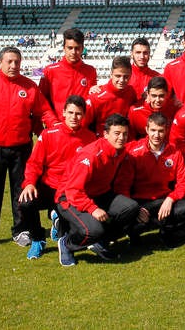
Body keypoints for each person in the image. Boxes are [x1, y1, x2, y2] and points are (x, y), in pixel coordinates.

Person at [0, 47, 59, 252]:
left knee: (21, 192)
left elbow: (45, 112)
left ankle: (21, 230)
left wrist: (56, 130)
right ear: (0, 63)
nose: (13, 66)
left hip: (22, 150)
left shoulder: (29, 86)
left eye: (17, 62)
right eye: (9, 61)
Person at [55, 114, 140, 266]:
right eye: (117, 133)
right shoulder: (90, 155)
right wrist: (92, 209)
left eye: (125, 134)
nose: (121, 138)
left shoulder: (120, 152)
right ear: (105, 134)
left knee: (131, 208)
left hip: (100, 193)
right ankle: (67, 243)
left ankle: (100, 242)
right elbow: (73, 190)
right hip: (69, 197)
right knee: (93, 231)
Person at [18, 95, 96, 259]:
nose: (74, 117)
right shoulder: (48, 134)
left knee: (69, 233)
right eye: (71, 112)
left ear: (84, 115)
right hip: (50, 186)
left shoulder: (90, 138)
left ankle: (59, 221)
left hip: (71, 191)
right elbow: (34, 163)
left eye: (78, 114)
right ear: (63, 113)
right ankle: (38, 239)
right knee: (26, 202)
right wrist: (30, 183)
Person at [116, 113, 185, 248]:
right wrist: (134, 208)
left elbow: (184, 182)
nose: (157, 135)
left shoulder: (174, 152)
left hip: (164, 199)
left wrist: (171, 198)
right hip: (140, 201)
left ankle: (166, 231)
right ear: (146, 130)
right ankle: (134, 234)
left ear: (166, 131)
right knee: (129, 216)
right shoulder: (134, 152)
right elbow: (123, 185)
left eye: (161, 131)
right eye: (153, 130)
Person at [39, 28, 97, 117]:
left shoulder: (90, 71)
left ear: (82, 49)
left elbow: (91, 99)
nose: (73, 52)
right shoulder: (50, 70)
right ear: (64, 48)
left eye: (77, 48)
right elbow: (42, 101)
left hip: (83, 125)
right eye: (70, 48)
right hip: (58, 125)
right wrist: (53, 123)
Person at [84, 56, 138, 136]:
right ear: (111, 74)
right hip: (102, 142)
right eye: (118, 76)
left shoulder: (131, 92)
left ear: (130, 75)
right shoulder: (97, 96)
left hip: (123, 140)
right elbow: (83, 125)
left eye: (126, 77)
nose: (122, 80)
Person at [127, 76, 178, 142]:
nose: (157, 100)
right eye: (154, 96)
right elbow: (130, 138)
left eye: (161, 96)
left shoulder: (174, 108)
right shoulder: (135, 110)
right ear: (147, 94)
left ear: (167, 94)